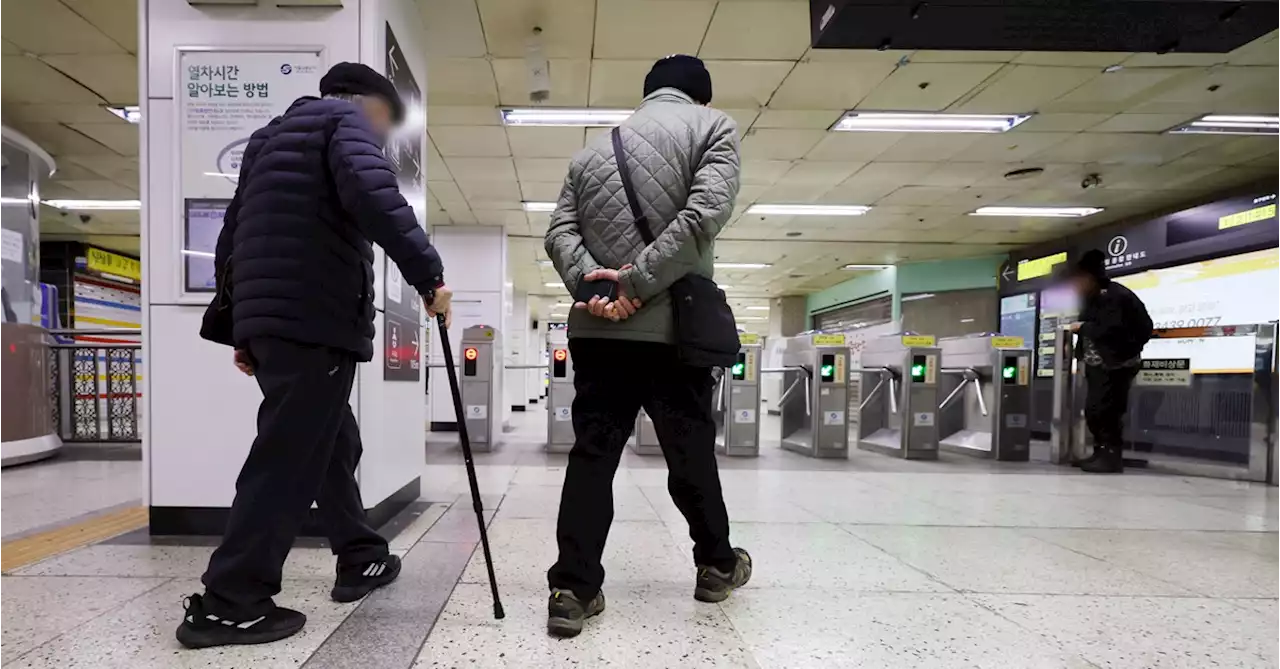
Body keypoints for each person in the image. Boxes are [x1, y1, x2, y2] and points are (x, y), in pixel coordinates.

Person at [178, 62, 452, 649]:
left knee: (330, 442)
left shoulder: (268, 139)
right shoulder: (344, 124)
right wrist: (430, 278)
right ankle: (230, 602)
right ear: (369, 104)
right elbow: (379, 200)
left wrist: (241, 329)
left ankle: (360, 555)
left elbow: (233, 236)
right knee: (288, 458)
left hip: (278, 322)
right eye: (386, 121)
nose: (383, 136)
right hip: (314, 317)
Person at [543, 54, 751, 639]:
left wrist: (599, 286)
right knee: (689, 455)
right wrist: (634, 284)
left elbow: (557, 231)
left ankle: (572, 589)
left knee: (592, 457)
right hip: (673, 335)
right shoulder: (713, 129)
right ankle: (715, 565)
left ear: (649, 95)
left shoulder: (590, 153)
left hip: (597, 334)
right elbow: (705, 213)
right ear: (700, 99)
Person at [1065, 249, 1153, 474]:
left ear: (1090, 278)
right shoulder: (1093, 298)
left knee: (1107, 411)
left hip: (1116, 365)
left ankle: (1111, 457)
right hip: (1098, 364)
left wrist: (1083, 328)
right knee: (1095, 410)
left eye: (1077, 281)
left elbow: (1113, 329)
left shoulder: (1115, 296)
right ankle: (1100, 452)